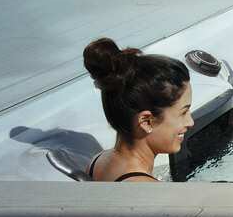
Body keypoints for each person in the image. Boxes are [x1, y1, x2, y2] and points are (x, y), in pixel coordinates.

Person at [82, 38, 194, 182]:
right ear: (147, 121)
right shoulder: (150, 191)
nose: (190, 122)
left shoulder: (97, 162)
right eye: (183, 112)